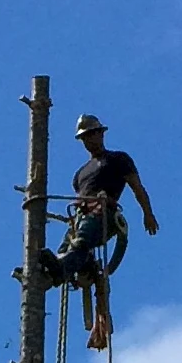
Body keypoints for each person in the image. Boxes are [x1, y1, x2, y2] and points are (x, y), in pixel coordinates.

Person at [46, 113, 157, 347]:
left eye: (91, 135)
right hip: (79, 216)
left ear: (101, 133)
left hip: (102, 214)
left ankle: (60, 270)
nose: (88, 141)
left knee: (82, 242)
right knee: (64, 250)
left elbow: (137, 187)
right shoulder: (79, 175)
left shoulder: (118, 160)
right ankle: (51, 272)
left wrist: (148, 213)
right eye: (84, 138)